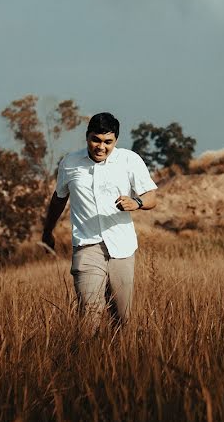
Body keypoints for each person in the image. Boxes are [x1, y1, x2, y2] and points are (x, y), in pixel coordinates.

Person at [42, 112, 158, 327]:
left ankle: (116, 359)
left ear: (116, 140)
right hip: (87, 246)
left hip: (121, 247)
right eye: (96, 139)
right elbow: (58, 199)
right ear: (87, 136)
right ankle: (87, 358)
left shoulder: (129, 160)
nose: (101, 147)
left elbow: (151, 196)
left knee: (123, 319)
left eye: (108, 142)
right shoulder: (70, 163)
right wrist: (47, 231)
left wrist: (137, 203)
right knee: (89, 316)